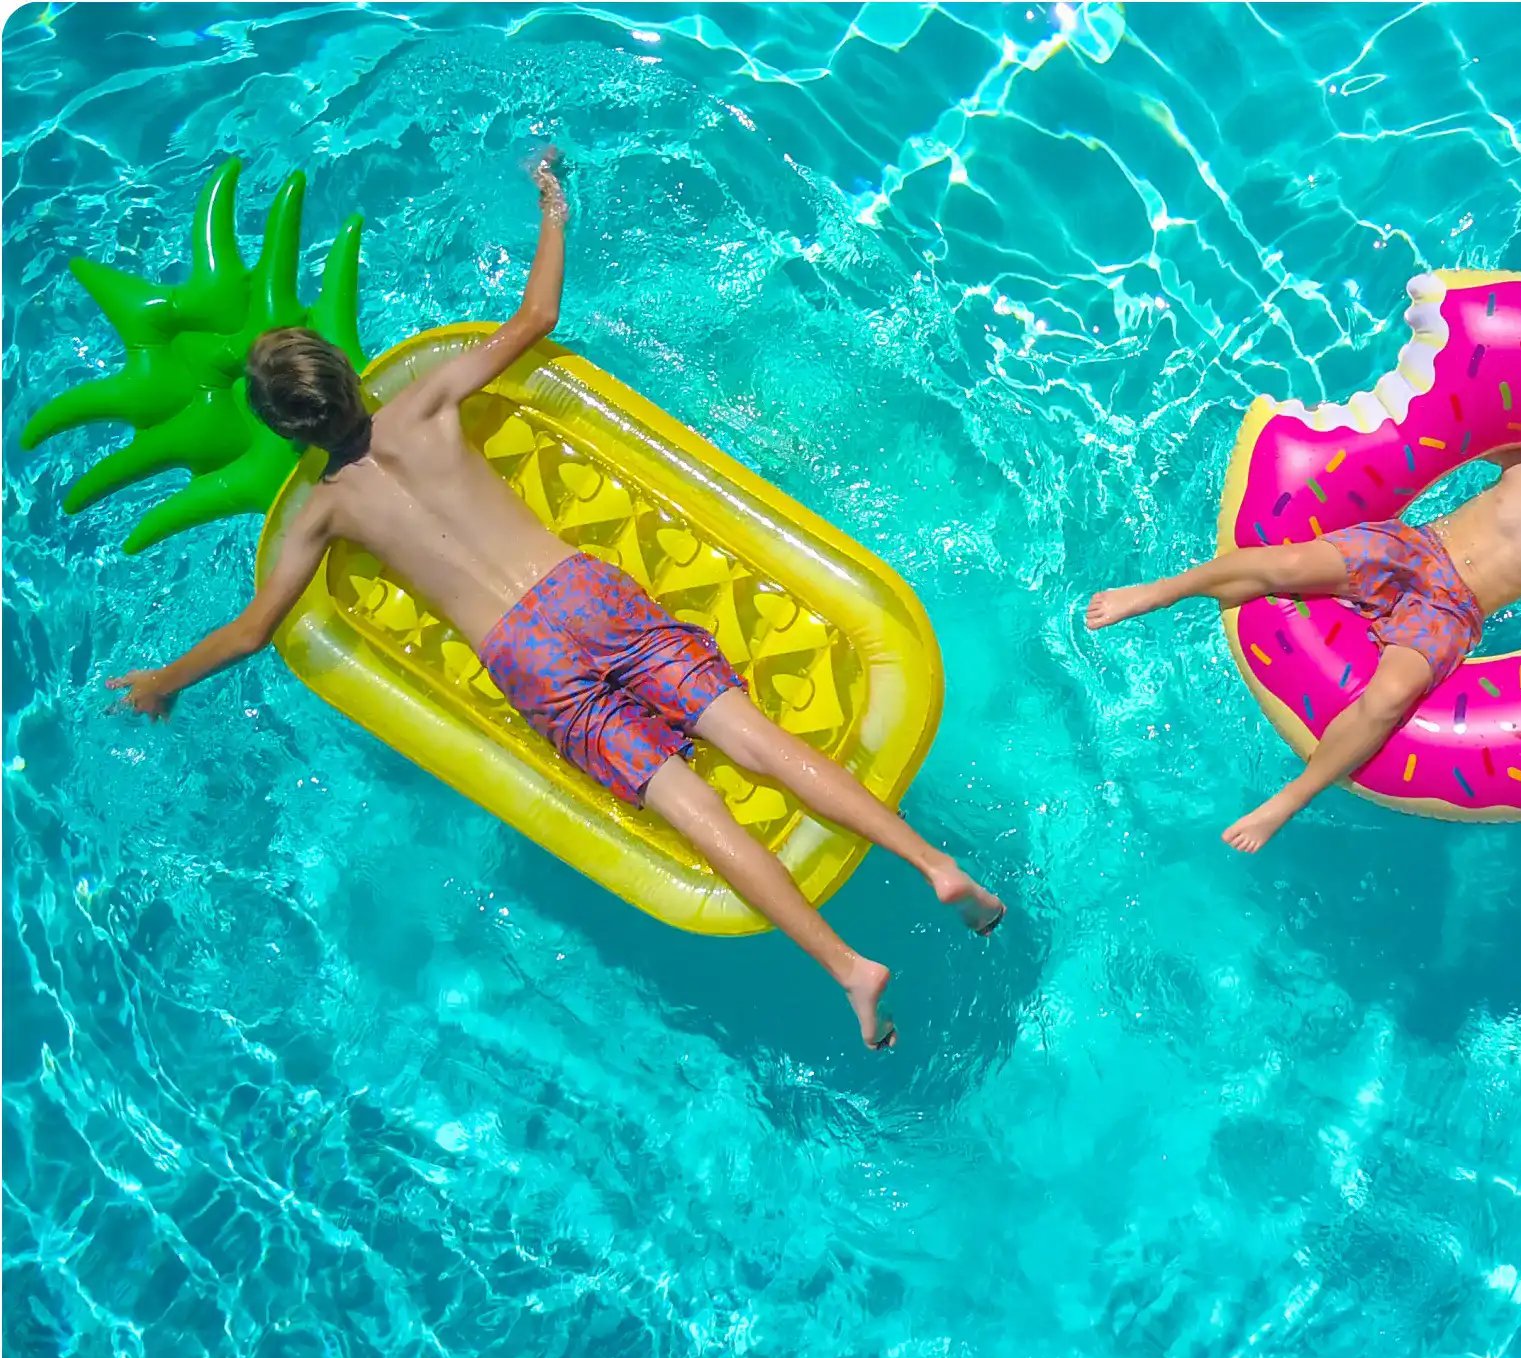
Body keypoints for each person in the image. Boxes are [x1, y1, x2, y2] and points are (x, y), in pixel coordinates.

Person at [109, 150, 1004, 1050]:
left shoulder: (324, 510)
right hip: (580, 593)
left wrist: (165, 679)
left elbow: (256, 628)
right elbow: (538, 317)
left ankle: (850, 969)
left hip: (523, 654)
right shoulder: (424, 403)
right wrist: (552, 209)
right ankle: (934, 863)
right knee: (760, 743)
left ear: (282, 430)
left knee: (695, 812)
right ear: (347, 374)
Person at [1086, 408, 1521, 851]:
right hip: (1416, 546)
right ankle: (1157, 592)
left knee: (1390, 695)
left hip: (1453, 613)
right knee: (1288, 563)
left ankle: (1289, 800)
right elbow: (1451, 432)